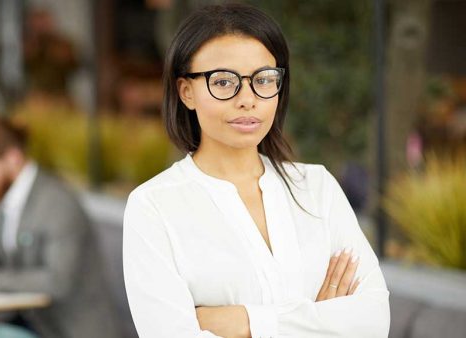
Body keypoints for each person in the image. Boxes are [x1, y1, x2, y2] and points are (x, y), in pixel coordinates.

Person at [122, 4, 390, 338]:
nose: (248, 99)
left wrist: (245, 322)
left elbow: (373, 320)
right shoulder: (153, 207)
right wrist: (319, 320)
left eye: (263, 79)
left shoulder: (317, 188)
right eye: (223, 82)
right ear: (186, 91)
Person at [0, 118, 119, 338]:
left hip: (69, 330)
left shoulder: (57, 203)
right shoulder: (10, 196)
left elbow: (58, 281)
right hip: (34, 322)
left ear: (13, 159)